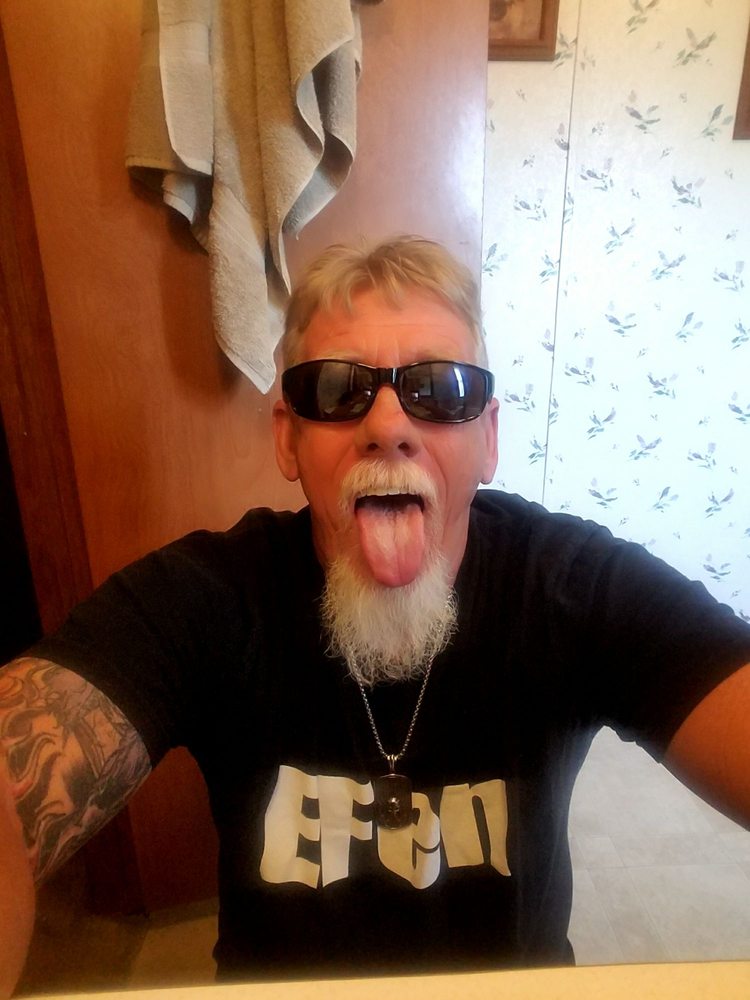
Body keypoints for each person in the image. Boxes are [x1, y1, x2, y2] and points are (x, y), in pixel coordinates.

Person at [1, 236, 749, 992]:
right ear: (287, 437)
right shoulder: (207, 596)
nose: (388, 425)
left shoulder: (571, 585)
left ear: (488, 439)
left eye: (441, 389)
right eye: (335, 389)